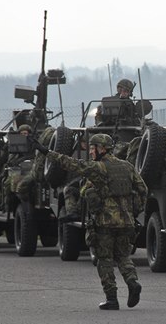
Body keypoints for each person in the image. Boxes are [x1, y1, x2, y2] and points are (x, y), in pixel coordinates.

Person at [30, 133, 148, 310]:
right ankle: (132, 282)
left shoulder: (98, 168)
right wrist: (135, 211)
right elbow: (143, 190)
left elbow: (70, 163)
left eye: (93, 148)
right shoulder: (127, 166)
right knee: (123, 255)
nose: (91, 152)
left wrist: (46, 152)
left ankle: (112, 299)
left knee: (104, 259)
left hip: (104, 222)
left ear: (102, 149)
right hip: (127, 221)